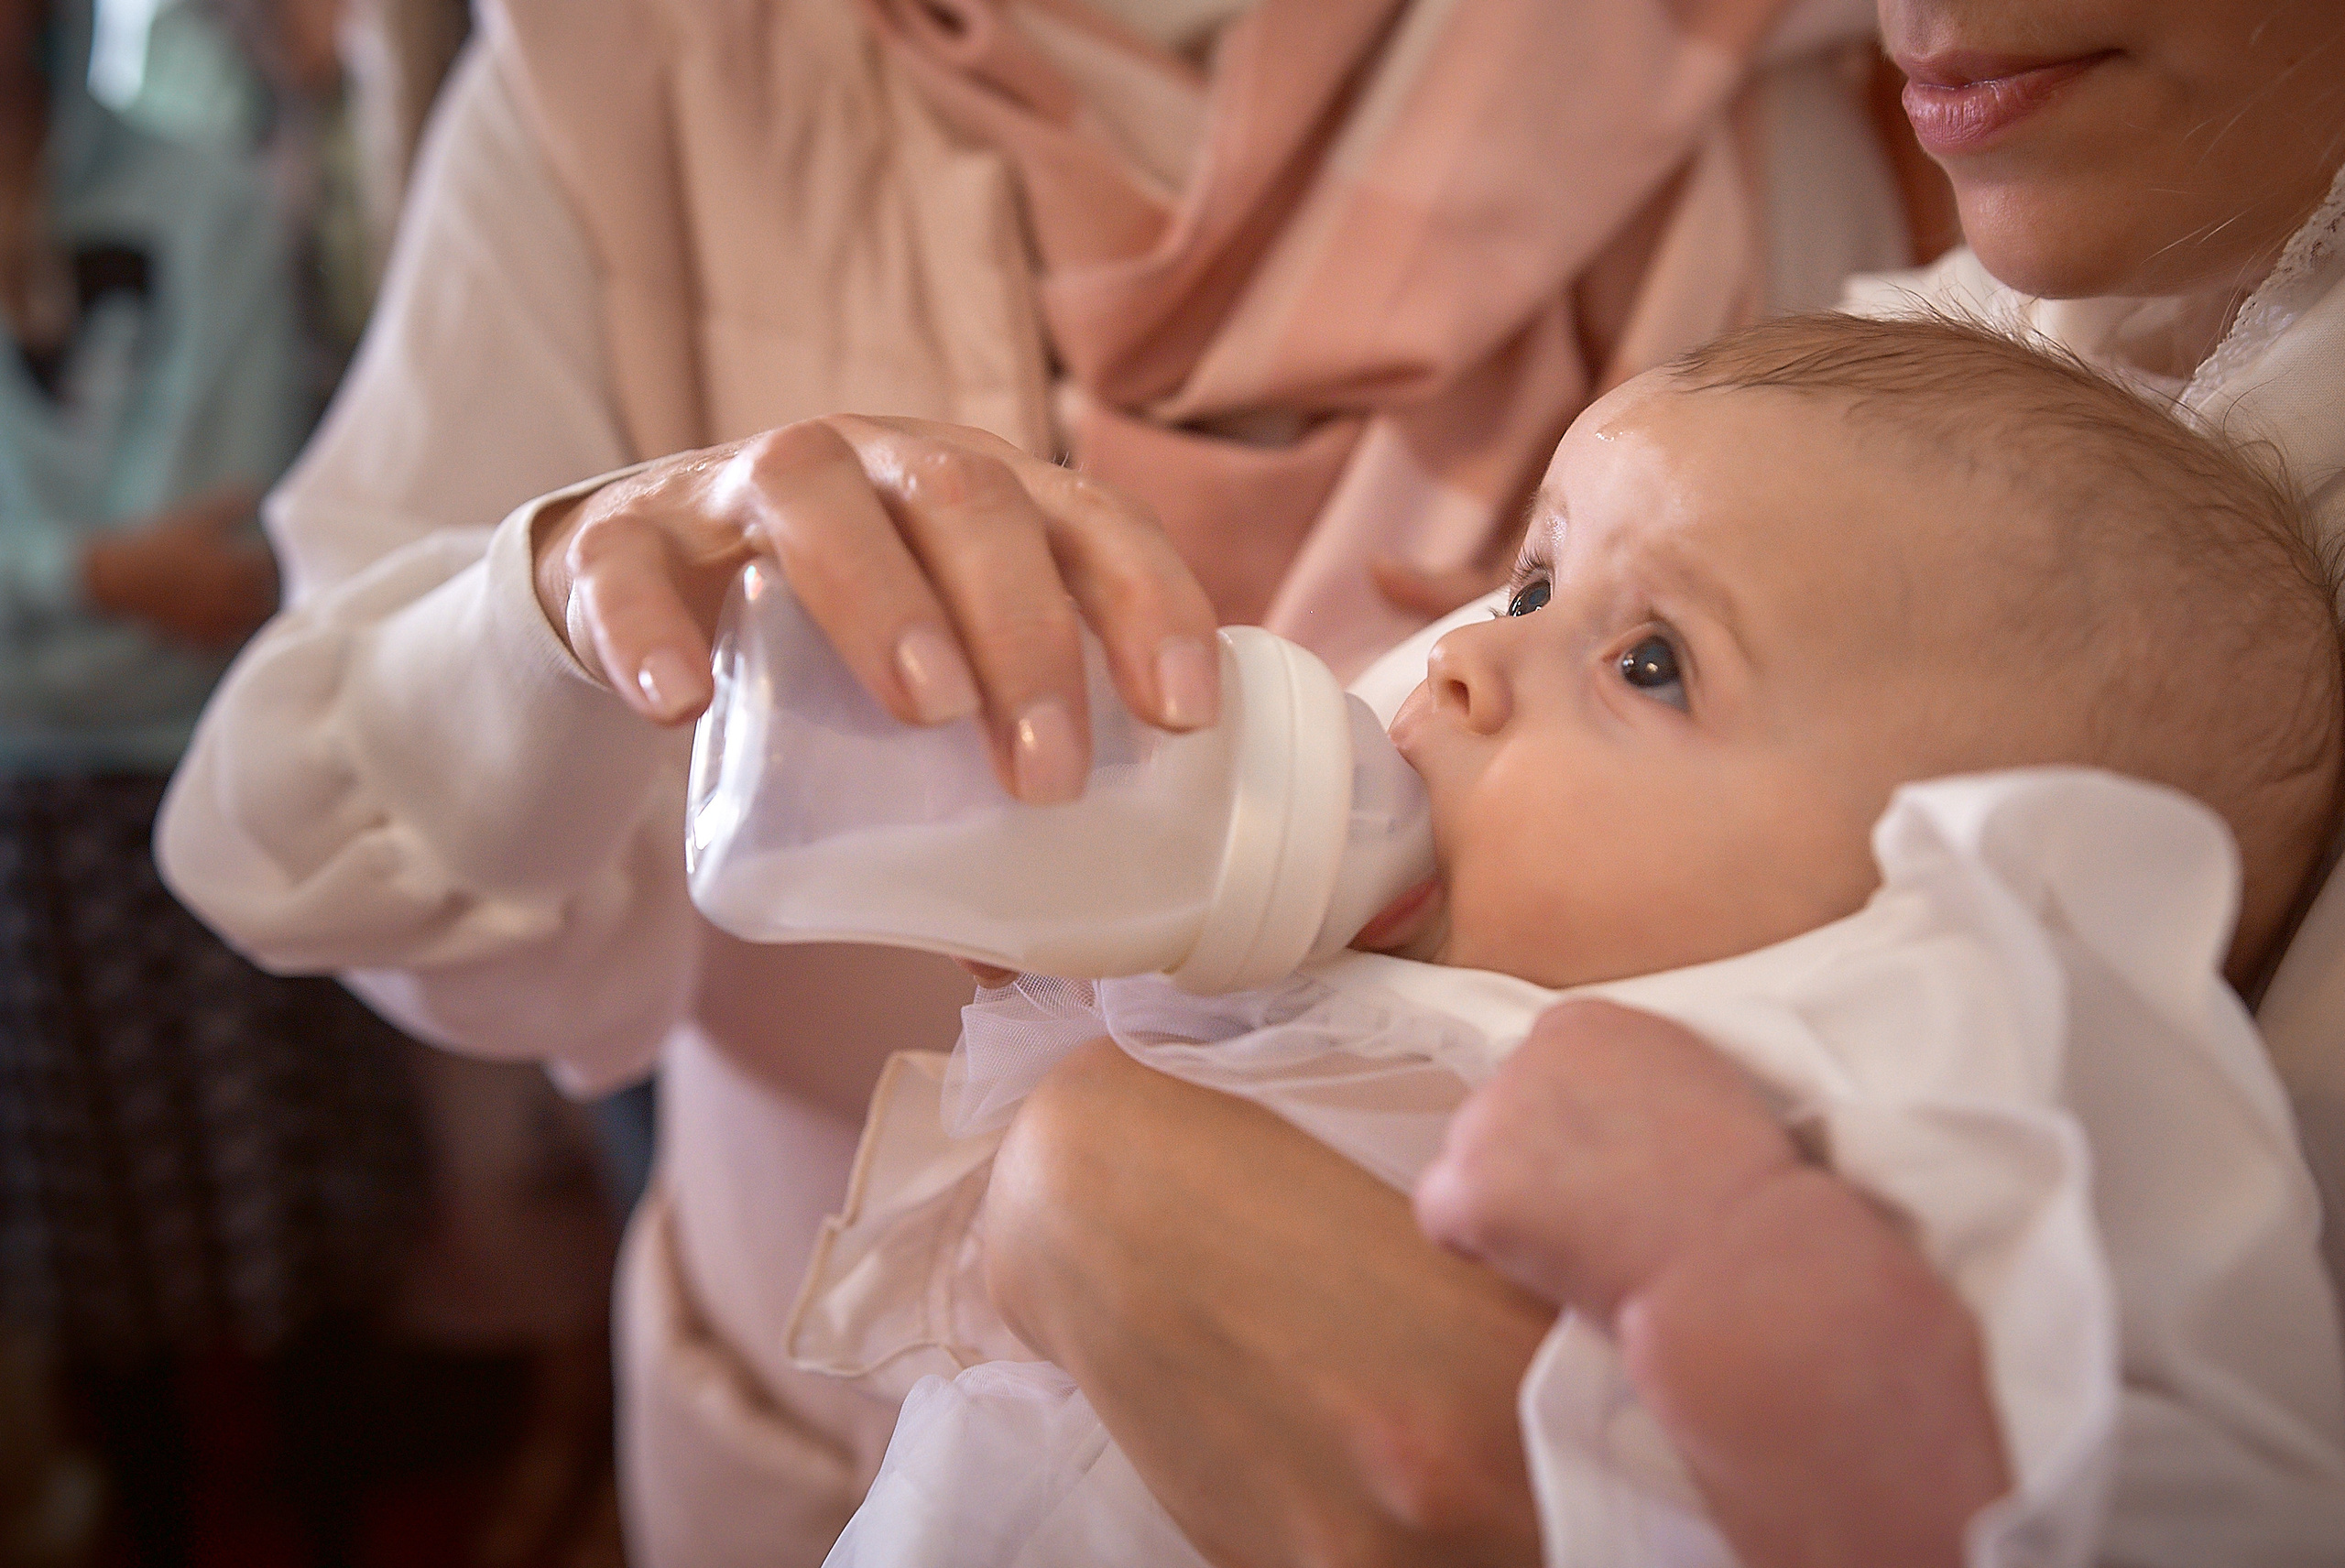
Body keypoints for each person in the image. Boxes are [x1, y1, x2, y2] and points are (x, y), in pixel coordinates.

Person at [152, 0, 1924, 1559]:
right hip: (830, 1407)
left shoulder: (1702, 72)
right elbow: (275, 843)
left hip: (1504, 1437)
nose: (1459, 653)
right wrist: (564, 600)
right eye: (1511, 587)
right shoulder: (641, 63)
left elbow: (1873, 824)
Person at [804, 311, 2345, 1566]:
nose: (1464, 661)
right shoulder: (1387, 944)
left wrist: (1729, 1256)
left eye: (1651, 663)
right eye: (1534, 583)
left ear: (1938, 888)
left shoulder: (1902, 1069)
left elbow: (2133, 1508)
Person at [0, 1, 439, 1562]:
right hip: (24, 815)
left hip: (218, 758)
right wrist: (95, 572)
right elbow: (160, 570)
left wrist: (50, 601)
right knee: (87, 1256)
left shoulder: (197, 195)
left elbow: (241, 540)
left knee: (297, 1232)